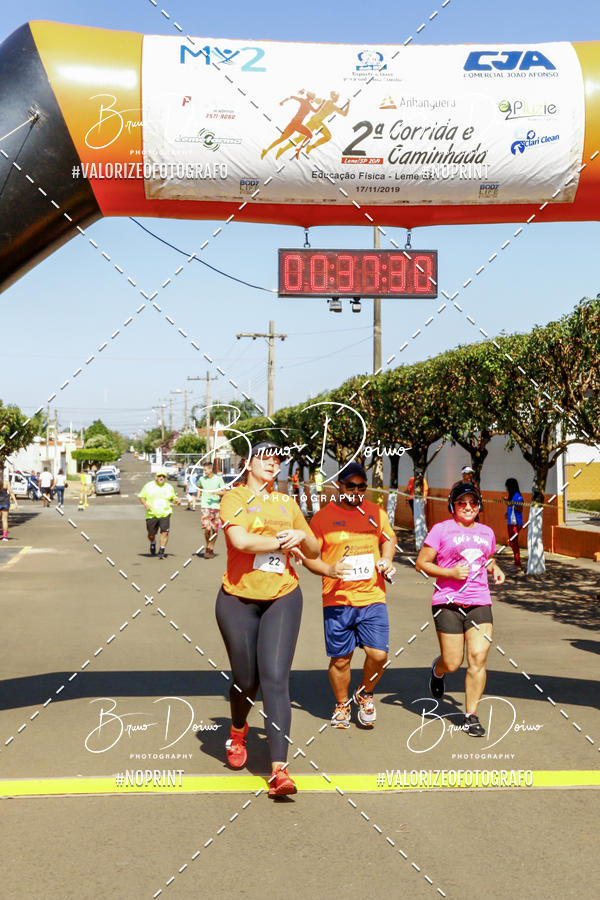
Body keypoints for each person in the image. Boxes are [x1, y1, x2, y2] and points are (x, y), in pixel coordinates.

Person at [216, 441, 319, 797]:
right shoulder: (233, 497)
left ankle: (279, 770)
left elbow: (316, 548)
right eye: (265, 457)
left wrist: (303, 536)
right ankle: (238, 728)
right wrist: (279, 542)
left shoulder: (287, 502)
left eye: (278, 459)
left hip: (283, 596)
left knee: (275, 677)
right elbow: (241, 541)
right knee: (246, 680)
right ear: (249, 463)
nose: (273, 463)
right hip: (238, 599)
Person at [302, 462, 396, 729]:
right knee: (341, 659)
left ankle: (365, 694)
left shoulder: (375, 513)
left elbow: (389, 537)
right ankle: (342, 705)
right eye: (351, 486)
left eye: (362, 487)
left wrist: (387, 559)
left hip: (372, 596)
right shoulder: (322, 518)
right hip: (338, 599)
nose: (356, 491)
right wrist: (329, 569)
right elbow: (309, 558)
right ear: (339, 486)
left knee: (378, 655)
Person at [415, 482, 505, 737]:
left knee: (477, 658)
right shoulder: (441, 530)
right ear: (452, 506)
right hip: (447, 602)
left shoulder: (487, 532)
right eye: (461, 503)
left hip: (479, 601)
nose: (467, 507)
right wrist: (450, 573)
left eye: (473, 503)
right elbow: (421, 563)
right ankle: (438, 669)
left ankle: (471, 715)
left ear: (479, 506)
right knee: (453, 662)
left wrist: (494, 568)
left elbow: (486, 558)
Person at [138, 468, 181, 559]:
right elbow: (141, 496)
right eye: (159, 476)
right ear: (156, 477)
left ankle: (161, 550)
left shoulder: (169, 487)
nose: (161, 478)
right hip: (151, 514)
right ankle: (153, 542)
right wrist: (145, 504)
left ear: (165, 478)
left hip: (165, 513)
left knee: (165, 532)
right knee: (151, 534)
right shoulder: (148, 486)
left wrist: (176, 501)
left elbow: (172, 498)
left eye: (163, 476)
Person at [197, 461, 226, 558]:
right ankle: (207, 546)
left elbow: (224, 492)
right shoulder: (202, 479)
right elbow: (199, 487)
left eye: (205, 470)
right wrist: (198, 496)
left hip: (216, 506)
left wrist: (216, 493)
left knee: (214, 530)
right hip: (205, 506)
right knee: (207, 528)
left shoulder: (219, 479)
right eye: (204, 469)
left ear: (210, 469)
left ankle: (211, 547)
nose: (204, 471)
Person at [505, 478, 524, 573]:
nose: (506, 489)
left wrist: (510, 504)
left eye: (507, 487)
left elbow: (520, 509)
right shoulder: (512, 496)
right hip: (511, 523)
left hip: (515, 524)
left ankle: (518, 565)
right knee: (512, 544)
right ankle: (516, 563)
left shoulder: (518, 497)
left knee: (514, 544)